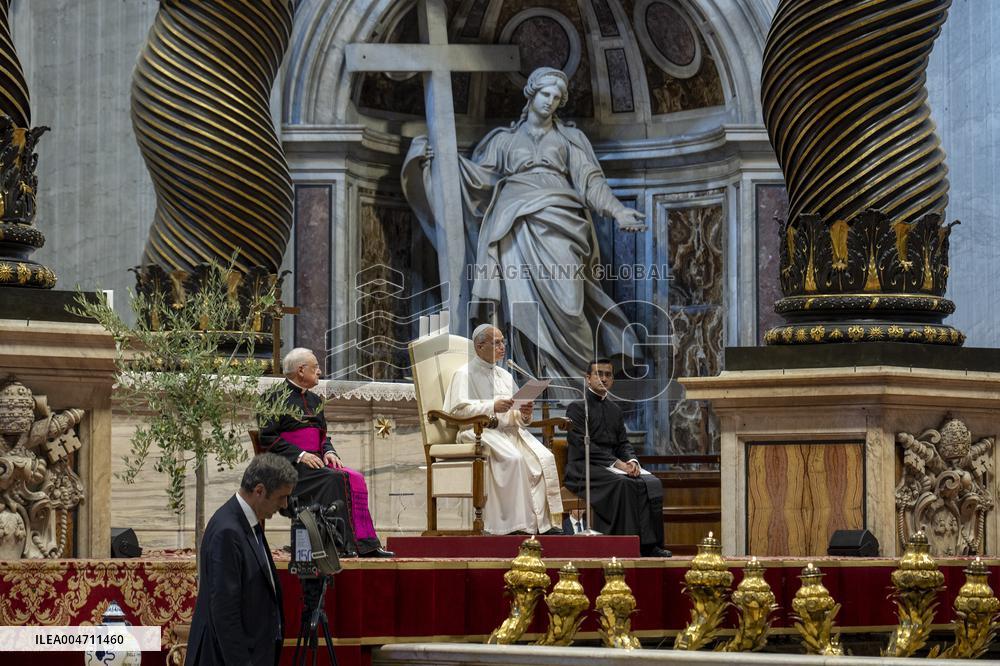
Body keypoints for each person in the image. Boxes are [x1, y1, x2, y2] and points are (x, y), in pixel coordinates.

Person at [403, 67, 645, 384]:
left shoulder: (570, 139)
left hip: (560, 224)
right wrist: (441, 159)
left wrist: (618, 212)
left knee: (570, 305)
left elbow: (591, 182)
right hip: (512, 225)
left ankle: (576, 391)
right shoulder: (504, 141)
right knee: (519, 309)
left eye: (557, 97)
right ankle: (527, 384)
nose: (550, 102)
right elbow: (477, 180)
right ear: (531, 93)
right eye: (546, 94)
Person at [258, 348, 393, 557]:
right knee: (335, 479)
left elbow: (322, 436)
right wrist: (301, 455)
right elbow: (267, 438)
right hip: (289, 467)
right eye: (316, 367)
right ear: (301, 370)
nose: (320, 371)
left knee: (354, 477)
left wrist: (329, 451)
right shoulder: (272, 398)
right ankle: (337, 544)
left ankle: (365, 545)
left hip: (317, 462)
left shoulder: (315, 401)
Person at [443, 324, 564, 534]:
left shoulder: (505, 375)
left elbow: (515, 414)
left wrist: (525, 413)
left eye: (502, 342)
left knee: (543, 458)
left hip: (508, 433)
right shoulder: (463, 374)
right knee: (514, 459)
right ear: (480, 346)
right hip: (478, 432)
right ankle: (512, 525)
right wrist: (491, 406)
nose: (502, 347)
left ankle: (541, 525)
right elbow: (456, 413)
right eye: (496, 342)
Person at [185, 453, 297, 666]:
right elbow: (225, 614)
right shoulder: (228, 531)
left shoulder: (247, 520)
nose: (285, 505)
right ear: (259, 491)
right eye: (281, 497)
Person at [565, 359, 671, 557]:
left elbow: (623, 443)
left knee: (652, 482)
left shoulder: (614, 410)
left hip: (612, 467)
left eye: (608, 375)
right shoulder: (577, 408)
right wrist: (618, 464)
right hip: (583, 467)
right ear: (588, 378)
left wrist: (632, 461)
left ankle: (650, 545)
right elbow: (582, 444)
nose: (603, 378)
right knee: (624, 484)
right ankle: (625, 546)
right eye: (598, 374)